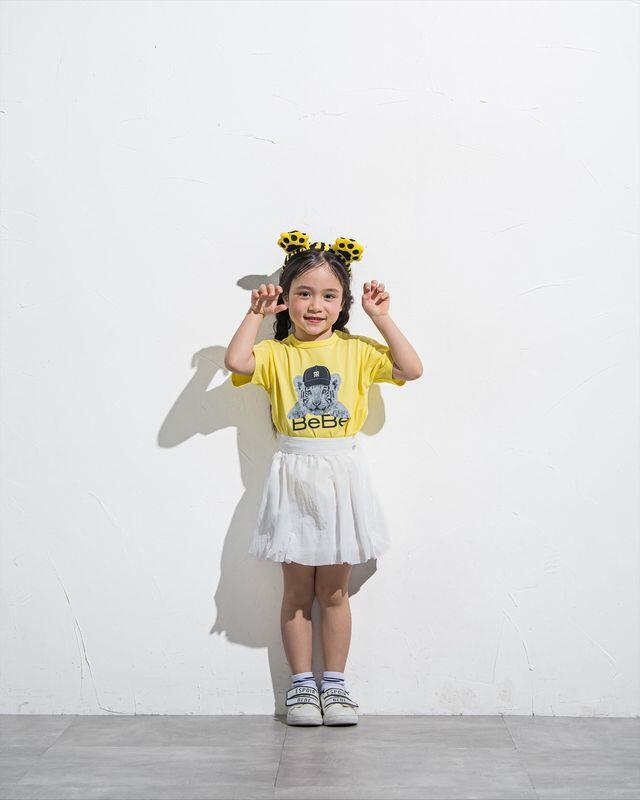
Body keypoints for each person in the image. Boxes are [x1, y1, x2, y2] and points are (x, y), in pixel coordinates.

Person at [224, 230, 423, 727]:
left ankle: (334, 686)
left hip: (341, 478)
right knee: (296, 592)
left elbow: (411, 368)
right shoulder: (276, 354)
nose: (316, 305)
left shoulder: (356, 350)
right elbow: (236, 362)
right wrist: (254, 315)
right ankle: (300, 688)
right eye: (304, 293)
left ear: (343, 303)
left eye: (330, 295)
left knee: (334, 591)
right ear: (287, 298)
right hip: (294, 476)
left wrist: (380, 317)